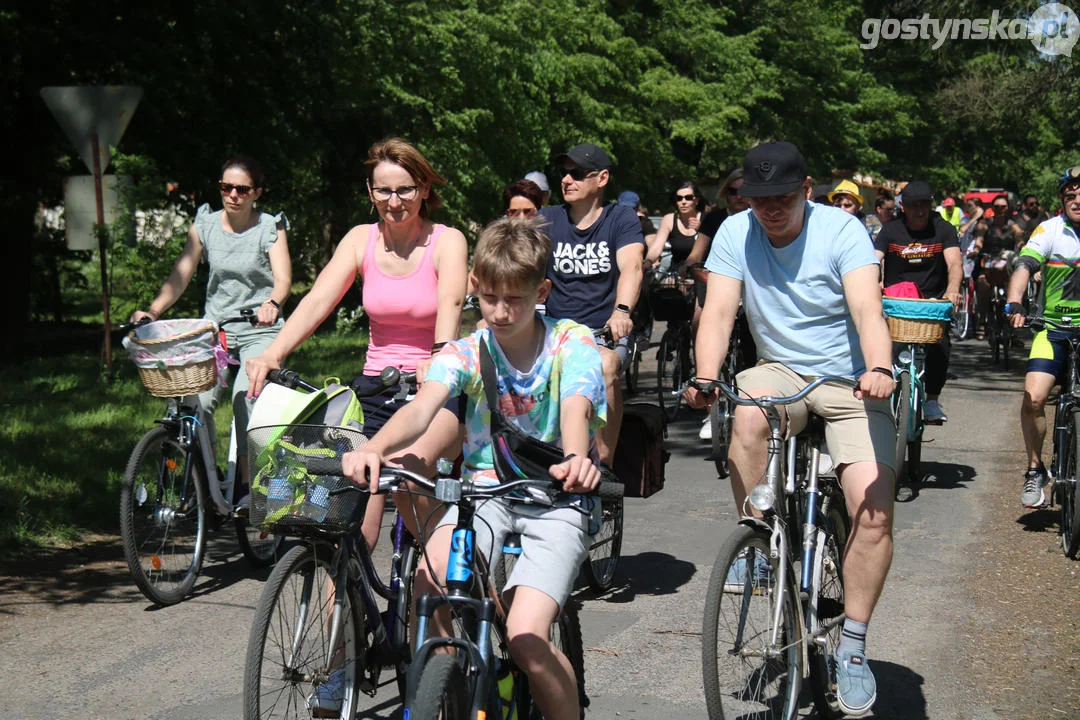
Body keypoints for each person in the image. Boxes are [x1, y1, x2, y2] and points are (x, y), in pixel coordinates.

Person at [343, 217, 605, 720]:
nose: (501, 313)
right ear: (475, 288)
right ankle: (447, 690)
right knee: (431, 580)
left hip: (555, 501)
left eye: (516, 300)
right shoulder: (467, 351)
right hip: (484, 496)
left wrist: (575, 459)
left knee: (527, 639)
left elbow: (576, 407)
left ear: (542, 291)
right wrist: (372, 448)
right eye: (490, 299)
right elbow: (421, 410)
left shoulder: (572, 342)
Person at [685, 141, 896, 718]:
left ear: (807, 191)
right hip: (782, 372)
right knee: (745, 414)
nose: (770, 209)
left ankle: (851, 644)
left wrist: (878, 368)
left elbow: (866, 310)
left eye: (781, 197)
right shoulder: (735, 232)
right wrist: (705, 378)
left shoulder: (842, 231)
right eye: (758, 199)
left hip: (854, 379)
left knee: (871, 508)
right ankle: (764, 543)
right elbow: (721, 313)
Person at [245, 137, 469, 552]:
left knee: (403, 479)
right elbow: (317, 301)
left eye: (405, 189)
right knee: (340, 527)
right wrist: (272, 353)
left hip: (433, 391)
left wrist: (439, 356)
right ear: (370, 192)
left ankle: (451, 590)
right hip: (372, 391)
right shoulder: (359, 239)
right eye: (383, 190)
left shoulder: (447, 240)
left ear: (423, 189)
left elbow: (451, 303)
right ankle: (341, 614)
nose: (394, 200)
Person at [131, 155, 291, 492]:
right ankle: (206, 480)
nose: (233, 194)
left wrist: (272, 303)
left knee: (245, 396)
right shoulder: (205, 224)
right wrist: (153, 311)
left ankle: (247, 487)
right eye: (226, 187)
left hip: (259, 329)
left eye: (242, 189)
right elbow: (181, 273)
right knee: (195, 403)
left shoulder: (269, 226)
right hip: (214, 331)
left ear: (256, 192)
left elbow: (283, 280)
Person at [540, 142, 645, 465]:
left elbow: (632, 267)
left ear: (601, 179)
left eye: (577, 174)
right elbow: (520, 263)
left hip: (604, 330)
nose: (567, 180)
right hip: (556, 331)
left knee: (605, 366)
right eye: (564, 173)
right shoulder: (547, 219)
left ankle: (604, 461)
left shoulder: (620, 218)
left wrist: (622, 311)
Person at [1006, 167, 1080, 508]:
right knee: (1034, 399)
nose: (1077, 201)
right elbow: (1025, 265)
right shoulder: (1050, 230)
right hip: (1053, 329)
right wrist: (1016, 301)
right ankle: (1035, 469)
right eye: (1070, 196)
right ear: (1062, 201)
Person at [874, 180, 962, 426]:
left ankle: (932, 399)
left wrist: (953, 290)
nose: (919, 211)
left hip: (933, 302)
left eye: (924, 205)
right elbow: (874, 260)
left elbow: (955, 264)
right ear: (903, 207)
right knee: (882, 343)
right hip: (896, 301)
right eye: (914, 206)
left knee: (940, 343)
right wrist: (872, 284)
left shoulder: (943, 229)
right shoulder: (891, 230)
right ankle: (882, 392)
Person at [974, 195, 1024, 339]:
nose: (1000, 210)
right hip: (988, 262)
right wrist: (975, 251)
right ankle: (981, 322)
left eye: (1003, 207)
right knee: (982, 285)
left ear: (1008, 208)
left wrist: (1023, 247)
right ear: (992, 208)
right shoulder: (985, 224)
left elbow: (1019, 239)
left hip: (1006, 265)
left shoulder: (1013, 225)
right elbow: (979, 240)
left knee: (1014, 289)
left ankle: (1012, 329)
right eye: (996, 207)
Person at [700, 168, 748, 242]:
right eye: (733, 191)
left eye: (743, 191)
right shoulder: (713, 219)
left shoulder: (761, 220)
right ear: (726, 192)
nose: (739, 197)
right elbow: (697, 252)